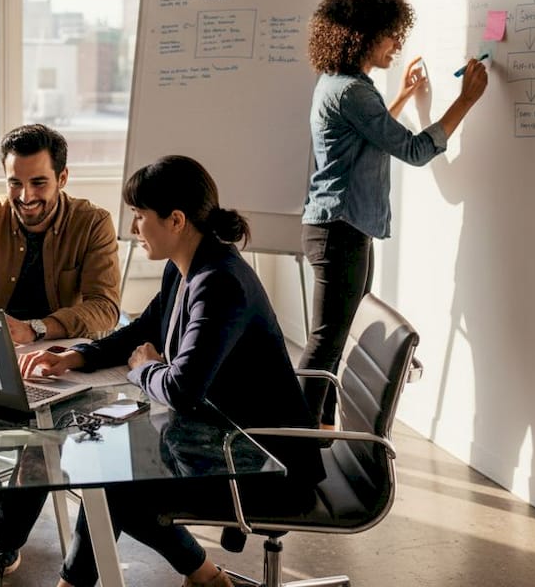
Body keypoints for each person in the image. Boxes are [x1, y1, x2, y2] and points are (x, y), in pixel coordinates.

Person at [20, 155, 323, 587]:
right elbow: (144, 329)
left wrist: (145, 369)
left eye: (140, 217)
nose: (133, 229)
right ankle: (202, 577)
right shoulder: (185, 268)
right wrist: (78, 356)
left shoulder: (220, 282)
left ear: (176, 220)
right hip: (220, 439)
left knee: (114, 481)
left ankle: (177, 577)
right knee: (111, 469)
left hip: (265, 462)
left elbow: (181, 389)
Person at [0, 123, 122, 587]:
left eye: (38, 183)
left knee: (40, 438)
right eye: (15, 182)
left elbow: (105, 308)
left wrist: (36, 327)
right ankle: (2, 524)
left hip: (60, 365)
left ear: (63, 178)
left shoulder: (92, 222)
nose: (26, 196)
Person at [298, 0, 488, 429]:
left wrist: (400, 99)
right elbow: (417, 151)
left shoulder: (341, 83)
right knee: (327, 342)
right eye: (391, 35)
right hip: (339, 229)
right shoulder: (353, 92)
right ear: (362, 36)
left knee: (336, 339)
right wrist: (466, 100)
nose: (397, 44)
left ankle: (320, 433)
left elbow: (369, 134)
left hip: (340, 226)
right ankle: (297, 444)